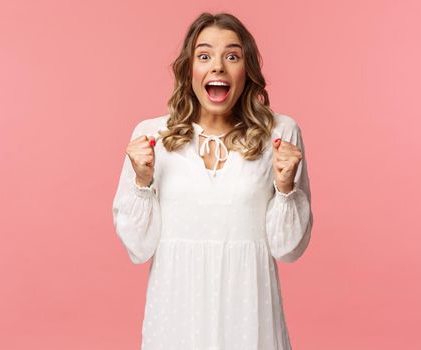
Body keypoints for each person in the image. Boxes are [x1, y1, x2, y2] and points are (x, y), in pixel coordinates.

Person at [112, 11, 313, 350]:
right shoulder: (151, 137)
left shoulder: (279, 134)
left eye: (231, 56)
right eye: (204, 56)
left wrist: (285, 188)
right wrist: (142, 182)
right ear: (189, 69)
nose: (217, 66)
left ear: (246, 71)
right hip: (176, 320)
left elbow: (288, 249)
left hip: (250, 320)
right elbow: (138, 247)